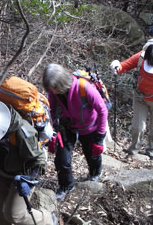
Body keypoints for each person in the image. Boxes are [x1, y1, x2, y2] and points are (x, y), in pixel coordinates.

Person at [42, 63, 108, 202]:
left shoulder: (84, 87)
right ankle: (66, 186)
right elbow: (52, 110)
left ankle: (95, 174)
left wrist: (100, 138)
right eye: (50, 89)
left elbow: (102, 110)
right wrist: (53, 131)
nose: (52, 91)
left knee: (92, 155)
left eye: (53, 88)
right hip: (67, 126)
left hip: (90, 126)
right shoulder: (54, 92)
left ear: (61, 83)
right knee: (61, 158)